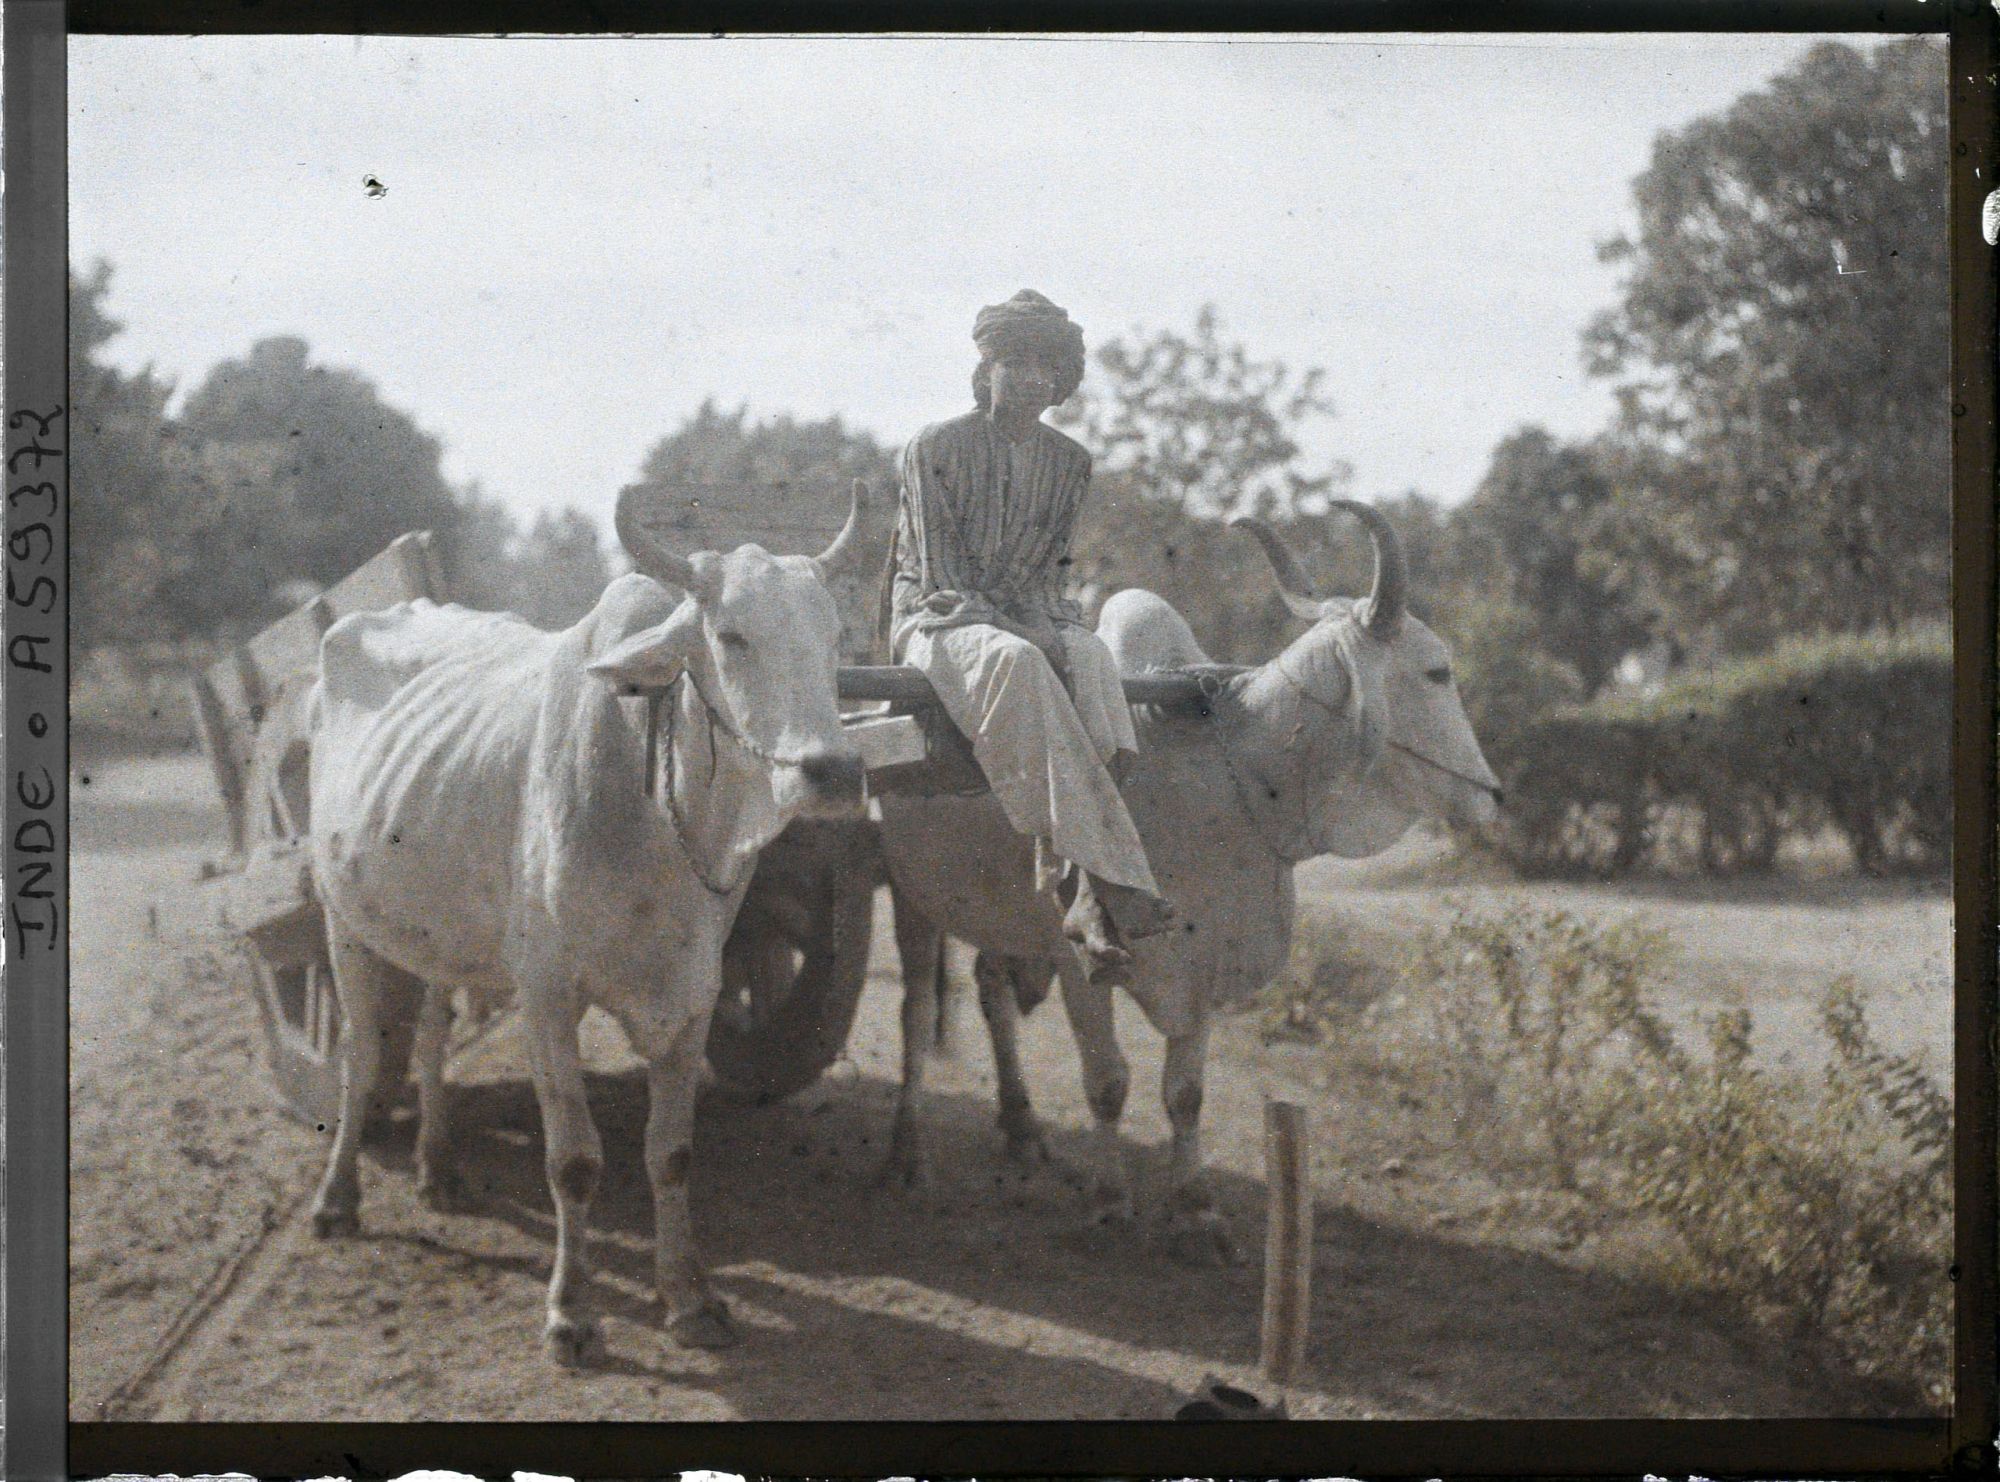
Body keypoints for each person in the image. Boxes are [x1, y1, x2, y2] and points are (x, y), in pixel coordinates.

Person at [889, 289, 1176, 980]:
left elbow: (1050, 573)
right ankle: (1116, 883)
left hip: (1025, 619)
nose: (1030, 378)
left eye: (1045, 366)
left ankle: (1082, 890)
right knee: (1019, 661)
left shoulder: (1069, 462)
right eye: (1014, 361)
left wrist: (1051, 628)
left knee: (1093, 658)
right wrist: (1030, 630)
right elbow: (942, 580)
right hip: (938, 621)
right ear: (985, 369)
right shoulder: (935, 447)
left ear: (1060, 382)